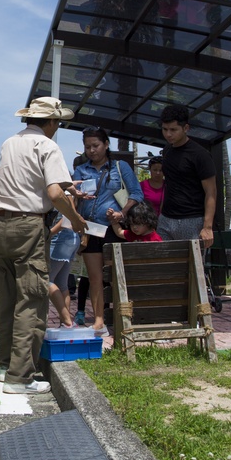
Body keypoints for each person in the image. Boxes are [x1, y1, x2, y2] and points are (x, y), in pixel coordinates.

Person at [0, 96, 86, 395]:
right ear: (52, 122)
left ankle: (5, 365)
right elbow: (55, 194)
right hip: (29, 226)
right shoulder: (48, 145)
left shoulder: (10, 143)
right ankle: (21, 377)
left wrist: (66, 185)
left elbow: (26, 179)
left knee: (7, 299)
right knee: (31, 299)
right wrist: (76, 219)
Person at [72, 127, 144, 334]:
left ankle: (126, 317)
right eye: (87, 147)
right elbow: (74, 199)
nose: (92, 150)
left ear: (106, 144)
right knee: (94, 277)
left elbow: (137, 193)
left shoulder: (120, 167)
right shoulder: (81, 170)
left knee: (118, 276)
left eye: (96, 145)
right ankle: (99, 320)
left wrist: (122, 213)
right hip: (91, 229)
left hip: (115, 229)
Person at [156, 104, 217, 248]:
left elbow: (211, 192)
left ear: (186, 128)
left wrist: (207, 227)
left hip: (192, 220)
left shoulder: (200, 155)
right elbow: (168, 184)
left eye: (173, 130)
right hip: (165, 219)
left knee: (192, 268)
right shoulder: (167, 151)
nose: (168, 134)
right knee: (161, 265)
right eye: (165, 129)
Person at [47, 211, 80, 328]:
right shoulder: (70, 194)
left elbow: (65, 219)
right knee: (62, 284)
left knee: (45, 280)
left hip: (59, 239)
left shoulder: (62, 194)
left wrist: (48, 234)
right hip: (72, 239)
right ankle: (65, 324)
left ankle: (67, 320)